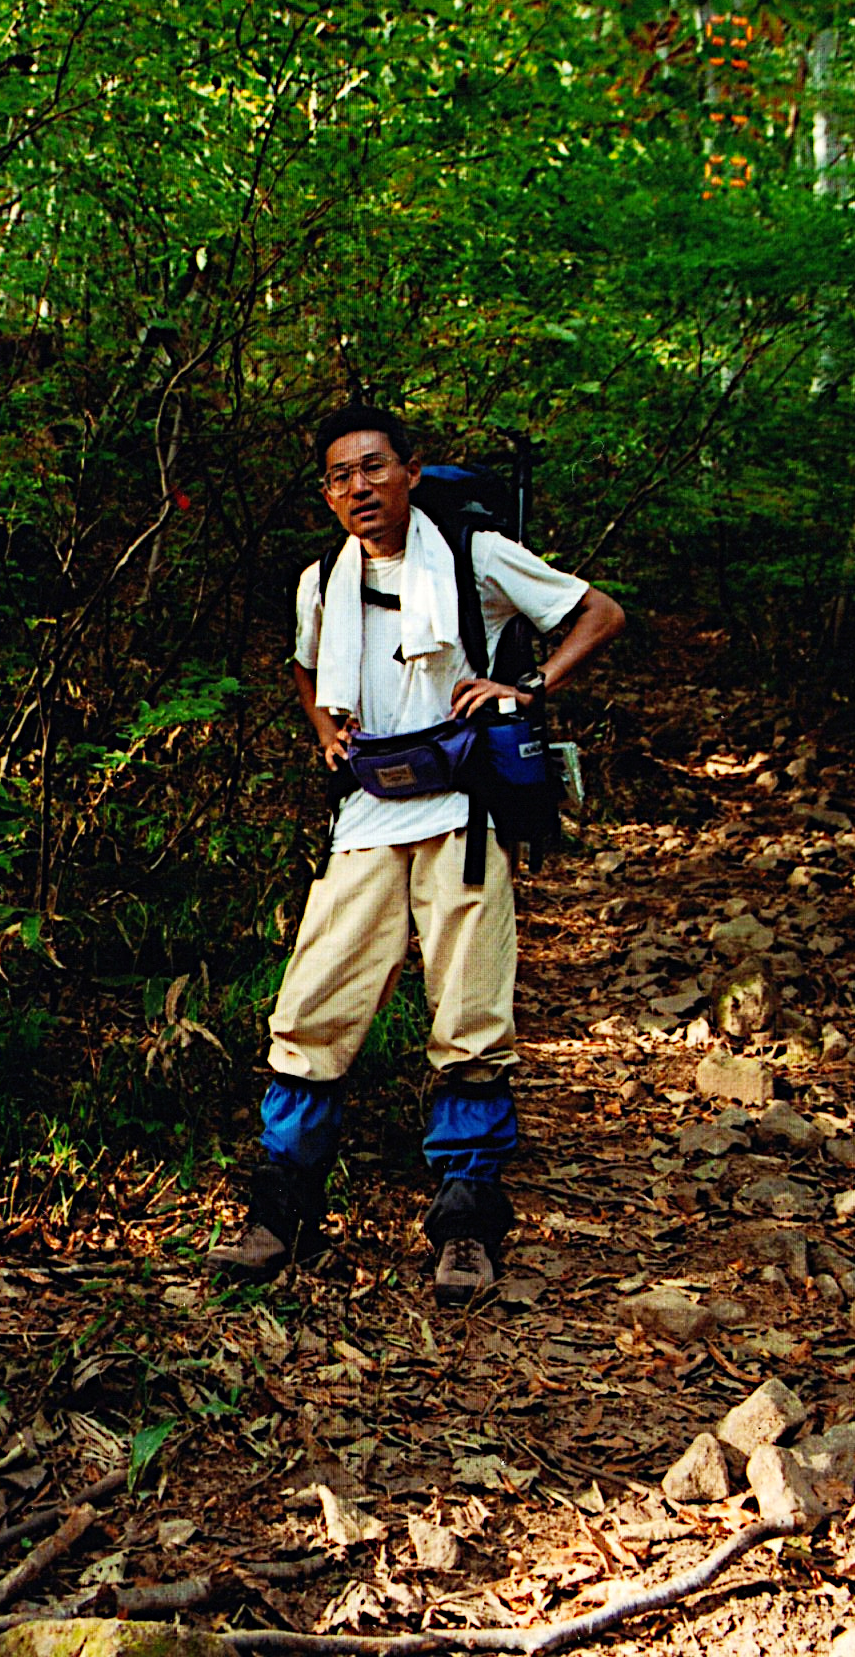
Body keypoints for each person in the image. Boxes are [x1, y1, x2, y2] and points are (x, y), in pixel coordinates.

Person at [207, 405, 625, 1305]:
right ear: (327, 495)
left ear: (410, 472)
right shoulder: (322, 578)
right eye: (339, 476)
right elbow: (305, 664)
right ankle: (278, 1214)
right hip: (367, 812)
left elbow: (598, 612)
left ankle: (466, 1227)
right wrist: (324, 730)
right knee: (310, 1011)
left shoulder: (474, 555)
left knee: (470, 1018)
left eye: (372, 467)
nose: (357, 487)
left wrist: (525, 687)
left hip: (463, 812)